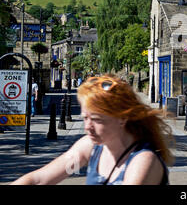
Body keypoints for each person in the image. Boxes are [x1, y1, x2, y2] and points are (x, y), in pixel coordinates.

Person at [11, 74, 174, 185]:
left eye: (97, 120)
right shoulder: (91, 147)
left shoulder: (143, 160)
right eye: (85, 118)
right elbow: (39, 179)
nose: (87, 127)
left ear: (122, 118)